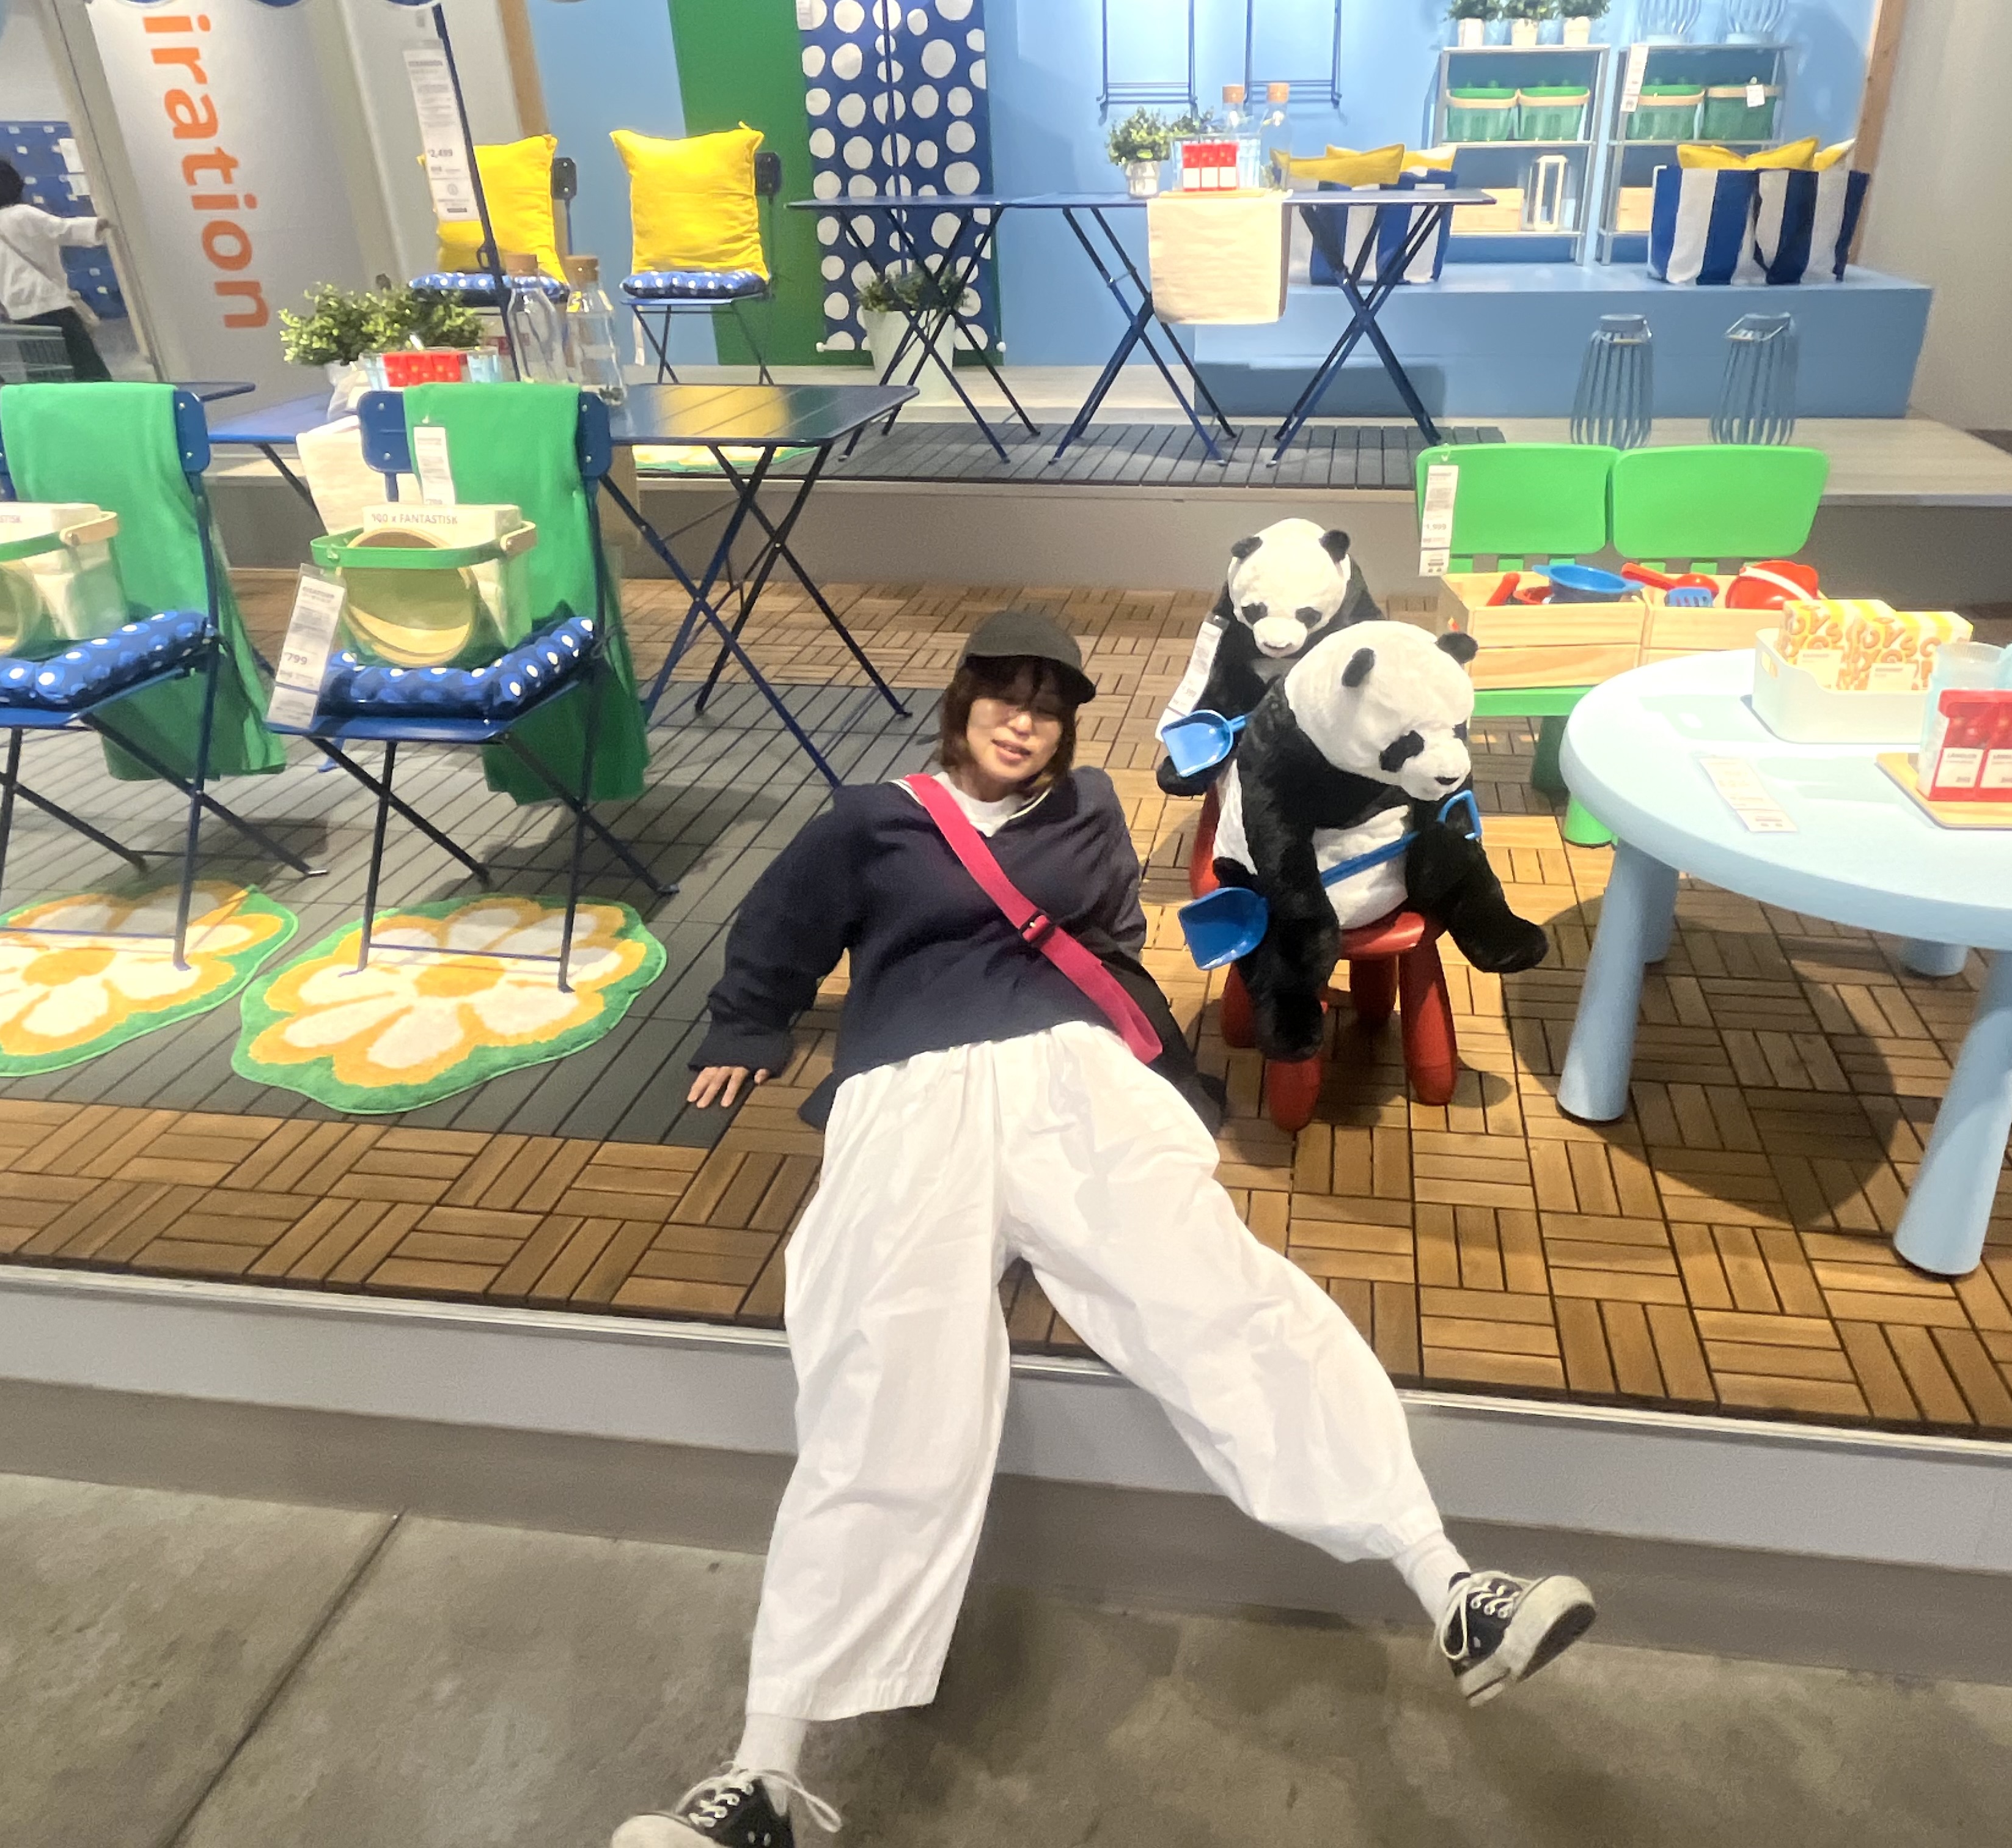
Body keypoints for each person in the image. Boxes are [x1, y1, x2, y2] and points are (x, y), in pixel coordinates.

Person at [617, 610, 1595, 1847]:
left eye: (1049, 705)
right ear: (963, 697)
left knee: (1213, 1289)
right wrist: (746, 1027)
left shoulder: (1086, 811)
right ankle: (763, 1770)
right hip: (912, 1082)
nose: (1024, 721)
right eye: (1005, 694)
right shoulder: (869, 820)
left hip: (1070, 1072)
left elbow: (1110, 943)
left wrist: (1142, 1055)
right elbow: (780, 931)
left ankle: (1447, 1581)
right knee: (877, 1366)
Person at [0, 155, 109, 381]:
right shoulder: (23, 214)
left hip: (17, 309)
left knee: (43, 371)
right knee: (86, 367)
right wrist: (100, 223)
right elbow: (62, 229)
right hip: (49, 302)